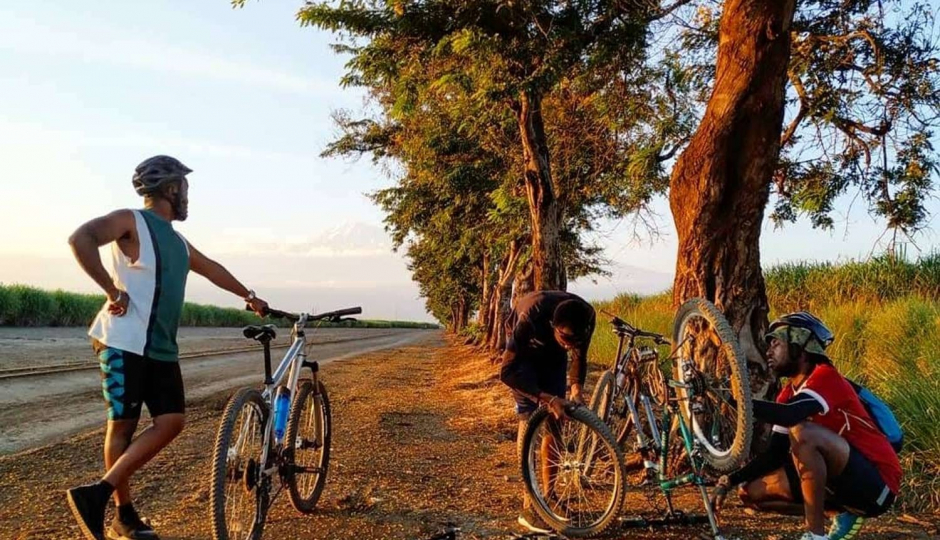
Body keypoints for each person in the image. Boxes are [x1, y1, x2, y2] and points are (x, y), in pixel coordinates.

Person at [65, 155, 269, 540]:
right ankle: (123, 516)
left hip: (160, 347)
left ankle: (99, 493)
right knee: (122, 425)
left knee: (171, 422)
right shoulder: (131, 221)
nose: (188, 196)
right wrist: (111, 288)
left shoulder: (177, 240)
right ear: (172, 188)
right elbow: (81, 238)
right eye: (185, 188)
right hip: (123, 340)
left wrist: (249, 296)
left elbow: (211, 267)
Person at [712, 312, 901, 540]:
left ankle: (815, 534)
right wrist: (729, 480)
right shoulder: (787, 394)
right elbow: (774, 454)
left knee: (803, 433)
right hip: (841, 484)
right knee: (749, 492)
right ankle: (837, 512)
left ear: (799, 345)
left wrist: (736, 401)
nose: (769, 351)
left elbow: (791, 415)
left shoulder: (825, 377)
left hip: (877, 485)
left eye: (776, 343)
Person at [498, 290, 596, 533]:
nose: (570, 345)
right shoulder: (531, 315)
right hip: (524, 354)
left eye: (575, 342)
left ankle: (548, 497)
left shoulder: (586, 316)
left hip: (552, 357)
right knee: (530, 420)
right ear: (553, 324)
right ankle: (530, 503)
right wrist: (547, 398)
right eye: (566, 338)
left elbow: (578, 359)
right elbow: (507, 372)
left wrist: (576, 391)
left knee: (556, 422)